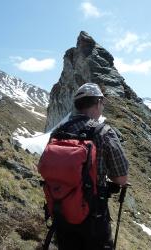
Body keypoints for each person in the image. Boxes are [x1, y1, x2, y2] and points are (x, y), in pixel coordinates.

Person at [54, 82, 129, 250]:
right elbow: (121, 178)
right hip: (93, 214)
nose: (102, 107)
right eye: (102, 103)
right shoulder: (104, 132)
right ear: (97, 103)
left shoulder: (58, 131)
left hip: (61, 209)